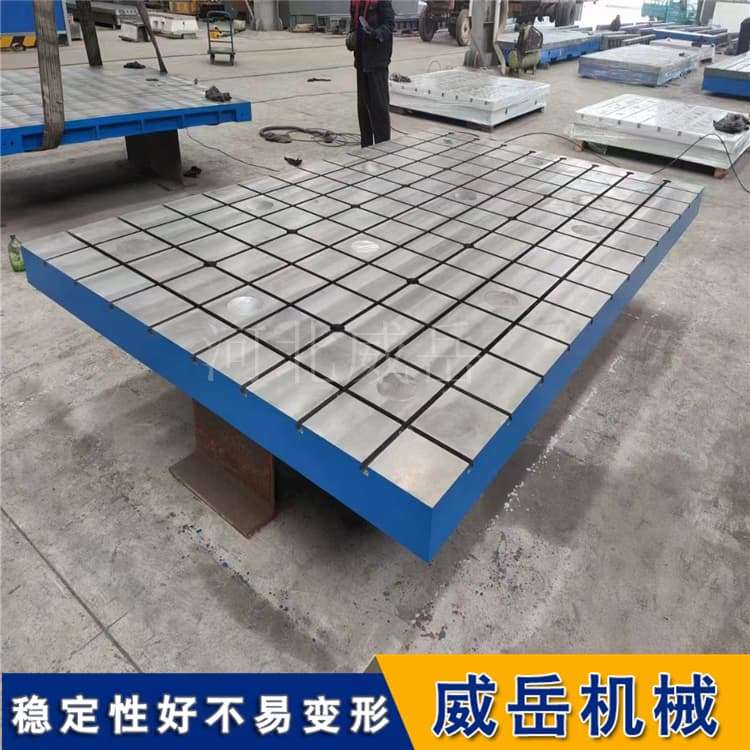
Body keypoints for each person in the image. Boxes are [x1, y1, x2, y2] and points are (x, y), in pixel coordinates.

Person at [347, 1, 395, 147]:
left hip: (377, 61)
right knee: (363, 108)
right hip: (361, 61)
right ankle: (366, 147)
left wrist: (376, 34)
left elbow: (389, 24)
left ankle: (383, 148)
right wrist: (351, 36)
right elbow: (353, 23)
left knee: (379, 108)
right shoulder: (355, 2)